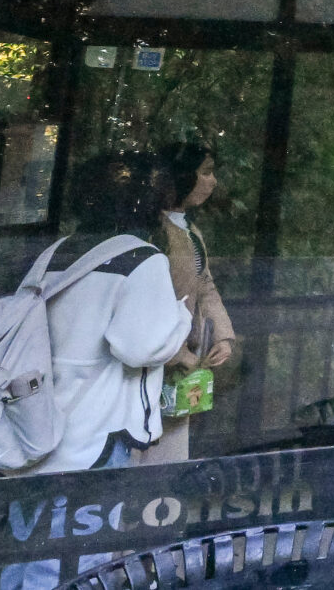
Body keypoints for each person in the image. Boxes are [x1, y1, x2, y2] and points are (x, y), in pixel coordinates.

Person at [0, 151, 190, 590]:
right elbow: (139, 345)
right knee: (75, 560)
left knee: (25, 550)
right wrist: (181, 318)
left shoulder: (57, 252)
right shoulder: (142, 259)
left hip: (33, 427)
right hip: (92, 438)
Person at [138, 141, 236, 463]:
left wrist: (222, 334)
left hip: (181, 361)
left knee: (170, 449)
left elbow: (203, 282)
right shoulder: (152, 231)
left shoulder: (188, 228)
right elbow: (148, 301)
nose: (213, 181)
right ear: (181, 176)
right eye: (205, 172)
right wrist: (176, 353)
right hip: (151, 360)